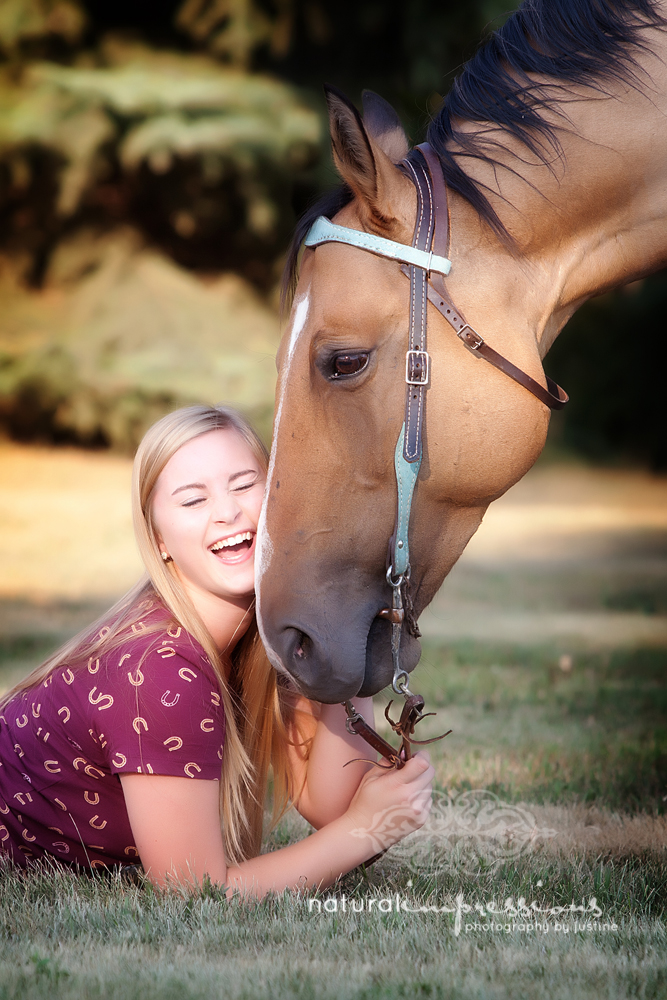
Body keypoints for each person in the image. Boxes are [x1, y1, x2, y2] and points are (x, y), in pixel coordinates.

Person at [0, 405, 433, 895]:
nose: (227, 511)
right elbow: (194, 892)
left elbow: (329, 802)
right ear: (159, 538)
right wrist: (364, 830)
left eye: (245, 484)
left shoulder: (263, 628)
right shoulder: (160, 669)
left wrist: (345, 623)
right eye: (192, 500)